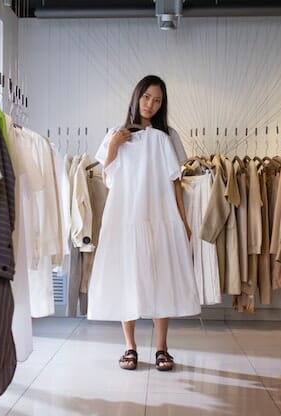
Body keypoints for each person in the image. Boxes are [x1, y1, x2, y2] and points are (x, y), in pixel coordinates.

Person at [87, 75, 201, 371]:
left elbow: (176, 181)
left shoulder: (168, 137)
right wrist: (113, 144)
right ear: (137, 96)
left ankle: (162, 348)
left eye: (157, 100)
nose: (150, 104)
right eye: (147, 97)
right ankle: (130, 346)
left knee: (161, 276)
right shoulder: (118, 133)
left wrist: (183, 220)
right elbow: (106, 176)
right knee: (129, 277)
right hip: (126, 215)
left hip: (160, 214)